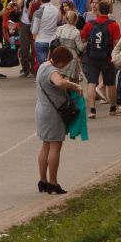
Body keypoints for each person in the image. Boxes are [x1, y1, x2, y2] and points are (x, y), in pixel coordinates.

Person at [36, 45, 81, 194]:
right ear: (61, 62)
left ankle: (43, 181)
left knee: (45, 146)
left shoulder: (43, 65)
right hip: (53, 113)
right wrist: (73, 85)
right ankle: (53, 183)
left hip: (42, 110)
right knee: (55, 147)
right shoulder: (52, 71)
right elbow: (59, 82)